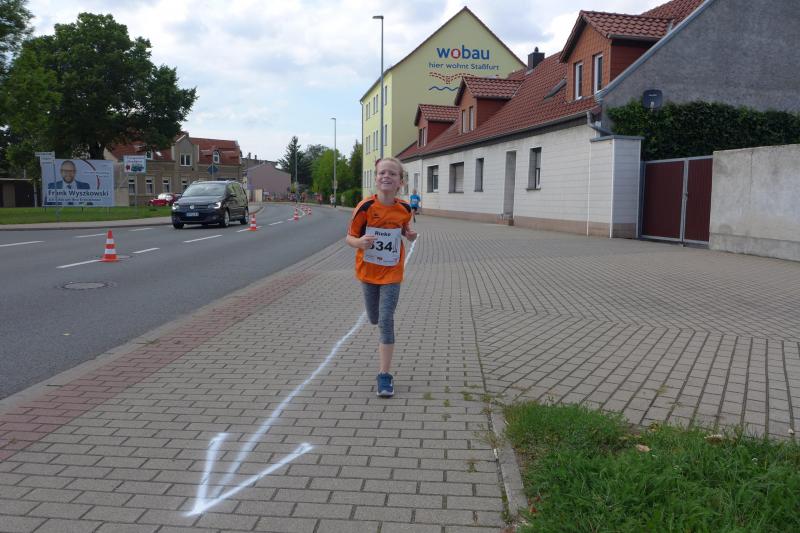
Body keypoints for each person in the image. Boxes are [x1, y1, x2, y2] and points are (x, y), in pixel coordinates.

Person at [346, 157, 418, 397]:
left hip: (392, 272)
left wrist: (409, 235)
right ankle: (376, 320)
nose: (386, 176)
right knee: (374, 317)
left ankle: (384, 375)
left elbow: (405, 229)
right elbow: (349, 237)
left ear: (400, 182)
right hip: (368, 272)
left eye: (392, 174)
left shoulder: (405, 209)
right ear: (376, 179)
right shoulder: (365, 207)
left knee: (386, 320)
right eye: (382, 173)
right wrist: (359, 242)